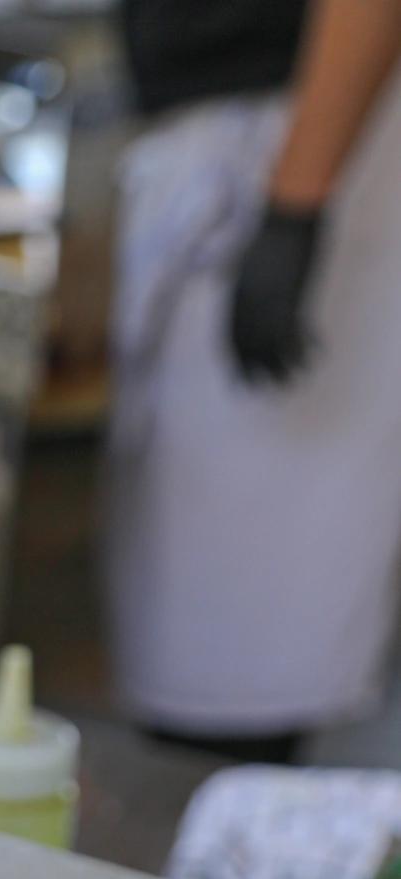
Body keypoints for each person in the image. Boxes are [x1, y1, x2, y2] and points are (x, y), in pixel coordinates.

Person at [106, 0, 401, 760]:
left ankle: (237, 854)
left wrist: (294, 207)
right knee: (207, 621)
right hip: (255, 142)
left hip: (304, 142)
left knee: (239, 644)